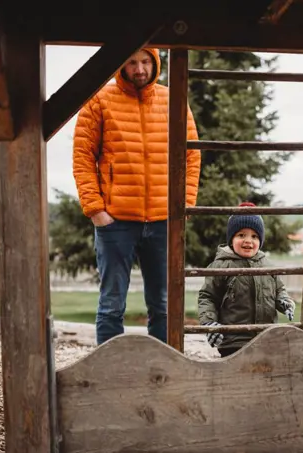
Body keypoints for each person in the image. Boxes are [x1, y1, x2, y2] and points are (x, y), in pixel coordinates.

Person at [72, 46, 201, 345]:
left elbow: (191, 155)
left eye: (145, 62)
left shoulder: (173, 100)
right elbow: (82, 157)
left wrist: (184, 206)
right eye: (132, 62)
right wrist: (95, 210)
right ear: (122, 64)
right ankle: (109, 371)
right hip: (115, 222)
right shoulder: (100, 100)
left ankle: (164, 371)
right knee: (111, 306)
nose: (139, 69)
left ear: (155, 62)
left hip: (163, 221)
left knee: (163, 305)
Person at [197, 202, 296, 357]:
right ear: (231, 238)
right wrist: (210, 324)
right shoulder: (221, 265)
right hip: (234, 341)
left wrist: (284, 302)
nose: (248, 241)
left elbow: (279, 289)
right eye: (241, 235)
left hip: (266, 338)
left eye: (254, 236)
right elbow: (207, 296)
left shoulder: (267, 266)